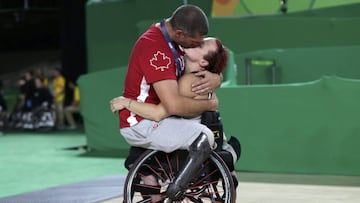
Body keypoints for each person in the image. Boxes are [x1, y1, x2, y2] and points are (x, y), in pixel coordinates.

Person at [112, 5, 224, 201]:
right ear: (180, 33)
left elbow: (211, 57)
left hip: (160, 115)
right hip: (140, 121)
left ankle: (151, 176)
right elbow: (172, 106)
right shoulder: (155, 48)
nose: (195, 45)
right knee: (204, 136)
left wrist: (217, 78)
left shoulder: (177, 39)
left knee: (211, 127)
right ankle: (171, 188)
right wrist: (210, 104)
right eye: (194, 42)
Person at [111, 37, 241, 187]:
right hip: (204, 128)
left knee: (141, 144)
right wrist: (217, 77)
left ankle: (226, 159)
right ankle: (226, 158)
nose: (197, 41)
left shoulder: (188, 82)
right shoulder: (193, 73)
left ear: (203, 62)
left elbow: (158, 113)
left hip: (189, 138)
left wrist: (126, 102)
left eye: (202, 44)